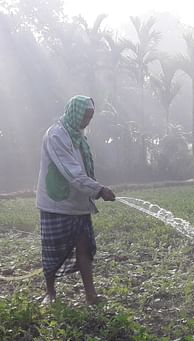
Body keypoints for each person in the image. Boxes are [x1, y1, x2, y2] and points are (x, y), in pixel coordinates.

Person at [36, 95, 115, 305]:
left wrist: (94, 189)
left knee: (84, 248)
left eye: (91, 117)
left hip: (79, 204)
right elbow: (72, 173)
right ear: (75, 113)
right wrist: (99, 190)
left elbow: (82, 168)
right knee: (52, 251)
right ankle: (50, 292)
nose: (87, 121)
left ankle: (91, 294)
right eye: (85, 116)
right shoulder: (56, 136)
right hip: (57, 203)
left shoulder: (79, 136)